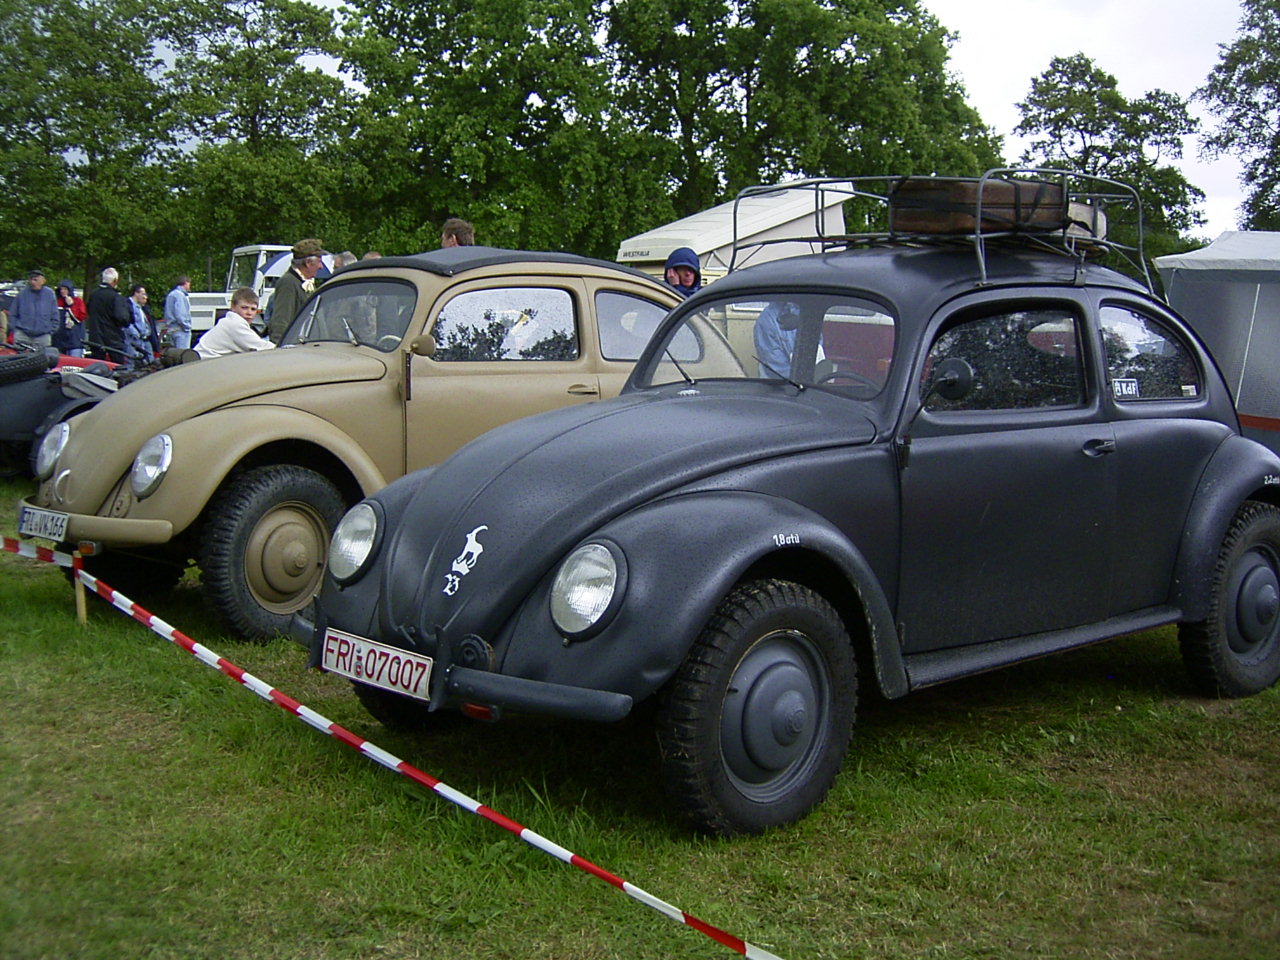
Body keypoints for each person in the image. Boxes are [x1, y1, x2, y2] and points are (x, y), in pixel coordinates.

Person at [269, 238, 327, 343]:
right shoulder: (288, 283)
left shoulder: (305, 282)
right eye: (319, 262)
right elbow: (281, 320)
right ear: (308, 262)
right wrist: (280, 349)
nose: (321, 267)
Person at [195, 287, 275, 359]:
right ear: (233, 307)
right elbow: (262, 347)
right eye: (244, 308)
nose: (249, 313)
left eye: (253, 309)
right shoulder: (234, 324)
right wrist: (284, 349)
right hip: (202, 366)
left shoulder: (228, 322)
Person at [85, 267, 132, 364]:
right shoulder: (116, 297)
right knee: (118, 367)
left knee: (96, 367)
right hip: (113, 340)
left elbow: (89, 311)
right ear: (115, 281)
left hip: (95, 338)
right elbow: (122, 317)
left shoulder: (93, 295)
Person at [9, 269, 59, 350]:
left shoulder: (50, 294)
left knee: (43, 361)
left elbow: (55, 315)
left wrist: (50, 331)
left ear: (43, 281)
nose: (32, 282)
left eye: (35, 280)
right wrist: (15, 330)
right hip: (23, 335)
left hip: (43, 337)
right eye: (31, 279)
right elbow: (13, 314)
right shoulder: (22, 294)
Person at [124, 284, 158, 368]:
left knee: (150, 362)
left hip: (145, 339)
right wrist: (135, 332)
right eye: (143, 294)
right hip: (134, 339)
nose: (145, 296)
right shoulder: (128, 305)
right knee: (133, 362)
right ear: (136, 293)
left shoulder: (141, 308)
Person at [53, 279, 87, 356]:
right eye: (61, 289)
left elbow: (80, 317)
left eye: (65, 289)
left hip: (75, 340)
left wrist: (71, 306)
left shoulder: (78, 301)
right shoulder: (57, 302)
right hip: (59, 341)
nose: (62, 291)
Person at [163, 275, 193, 350]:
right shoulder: (180, 296)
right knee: (183, 356)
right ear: (185, 283)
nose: (190, 286)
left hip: (172, 329)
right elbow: (180, 314)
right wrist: (187, 327)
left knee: (175, 356)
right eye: (189, 284)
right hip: (181, 330)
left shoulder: (171, 294)